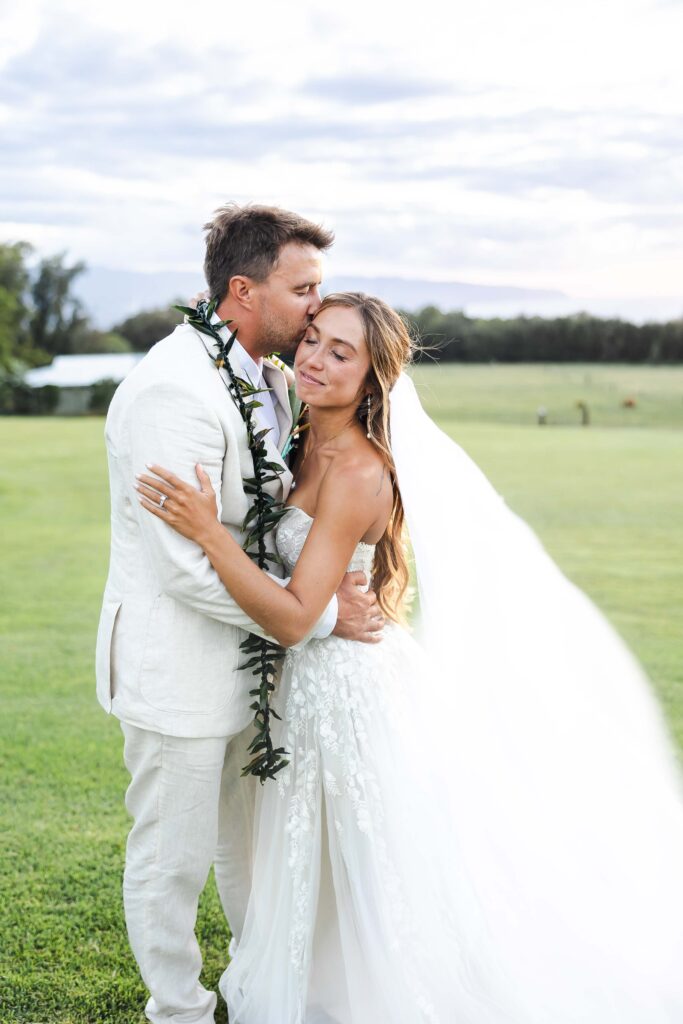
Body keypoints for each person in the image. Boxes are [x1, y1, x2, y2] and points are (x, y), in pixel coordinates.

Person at [137, 292, 683, 1023]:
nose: (314, 360)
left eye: (341, 353)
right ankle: (318, 978)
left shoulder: (358, 472)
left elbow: (296, 618)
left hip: (344, 688)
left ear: (374, 380)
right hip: (304, 683)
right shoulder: (298, 434)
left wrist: (209, 535)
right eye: (313, 339)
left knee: (370, 857)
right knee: (310, 854)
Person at [95, 207, 385, 1024]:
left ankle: (259, 987)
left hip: (257, 668)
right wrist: (318, 617)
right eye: (303, 289)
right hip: (179, 666)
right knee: (172, 858)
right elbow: (185, 567)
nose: (314, 306)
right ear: (244, 290)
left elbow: (268, 522)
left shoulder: (269, 379)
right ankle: (177, 1010)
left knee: (247, 849)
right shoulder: (172, 390)